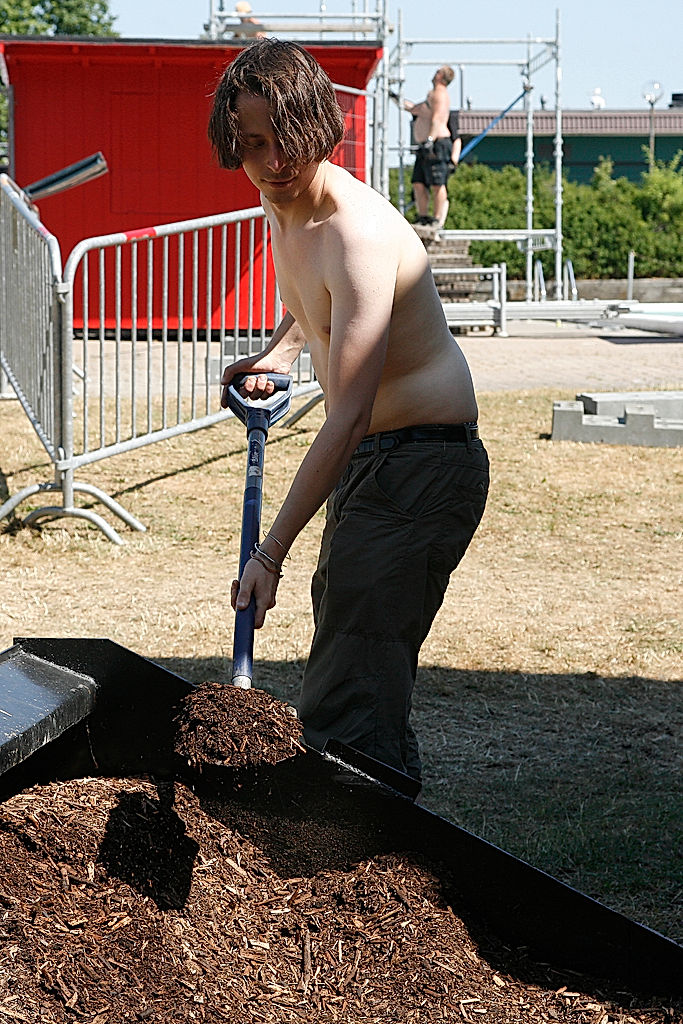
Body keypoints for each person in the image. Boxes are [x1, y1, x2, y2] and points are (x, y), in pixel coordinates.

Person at [210, 40, 489, 789]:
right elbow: (315, 302)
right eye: (252, 145)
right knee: (354, 647)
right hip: (379, 463)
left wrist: (269, 552)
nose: (271, 162)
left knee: (346, 687)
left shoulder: (356, 230)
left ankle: (353, 857)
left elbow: (349, 412)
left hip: (422, 464)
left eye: (284, 141)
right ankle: (386, 843)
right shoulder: (285, 207)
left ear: (317, 126)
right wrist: (281, 352)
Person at [402, 66, 457, 228]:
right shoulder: (431, 95)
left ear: (440, 76)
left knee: (437, 184)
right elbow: (415, 109)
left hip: (436, 144)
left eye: (437, 72)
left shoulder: (440, 94)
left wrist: (430, 140)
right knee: (418, 182)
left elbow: (437, 119)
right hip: (427, 145)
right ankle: (423, 216)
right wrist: (394, 97)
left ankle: (437, 218)